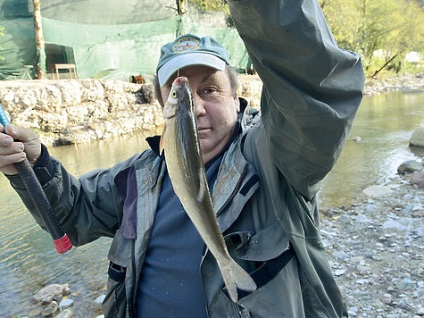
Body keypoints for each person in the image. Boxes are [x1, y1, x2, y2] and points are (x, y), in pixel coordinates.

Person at [0, 0, 365, 317]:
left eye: (209, 89)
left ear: (237, 99)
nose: (197, 107)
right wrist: (35, 166)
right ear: (163, 108)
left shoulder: (278, 158)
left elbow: (315, 90)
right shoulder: (138, 175)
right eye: (180, 96)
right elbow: (73, 215)